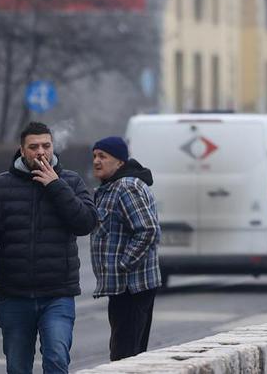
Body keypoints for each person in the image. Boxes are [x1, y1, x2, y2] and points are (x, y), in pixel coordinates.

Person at [0, 122, 98, 374]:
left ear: (53, 147)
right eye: (33, 147)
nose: (40, 152)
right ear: (22, 150)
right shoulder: (0, 186)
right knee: (17, 367)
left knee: (57, 358)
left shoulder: (70, 181)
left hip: (57, 294)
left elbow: (86, 223)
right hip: (14, 295)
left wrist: (56, 186)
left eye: (46, 145)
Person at [90, 135, 161, 362]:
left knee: (124, 357)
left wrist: (124, 264)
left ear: (120, 161)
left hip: (132, 287)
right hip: (124, 288)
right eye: (94, 156)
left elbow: (147, 230)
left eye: (103, 156)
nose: (96, 161)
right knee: (131, 355)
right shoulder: (112, 186)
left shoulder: (126, 187)